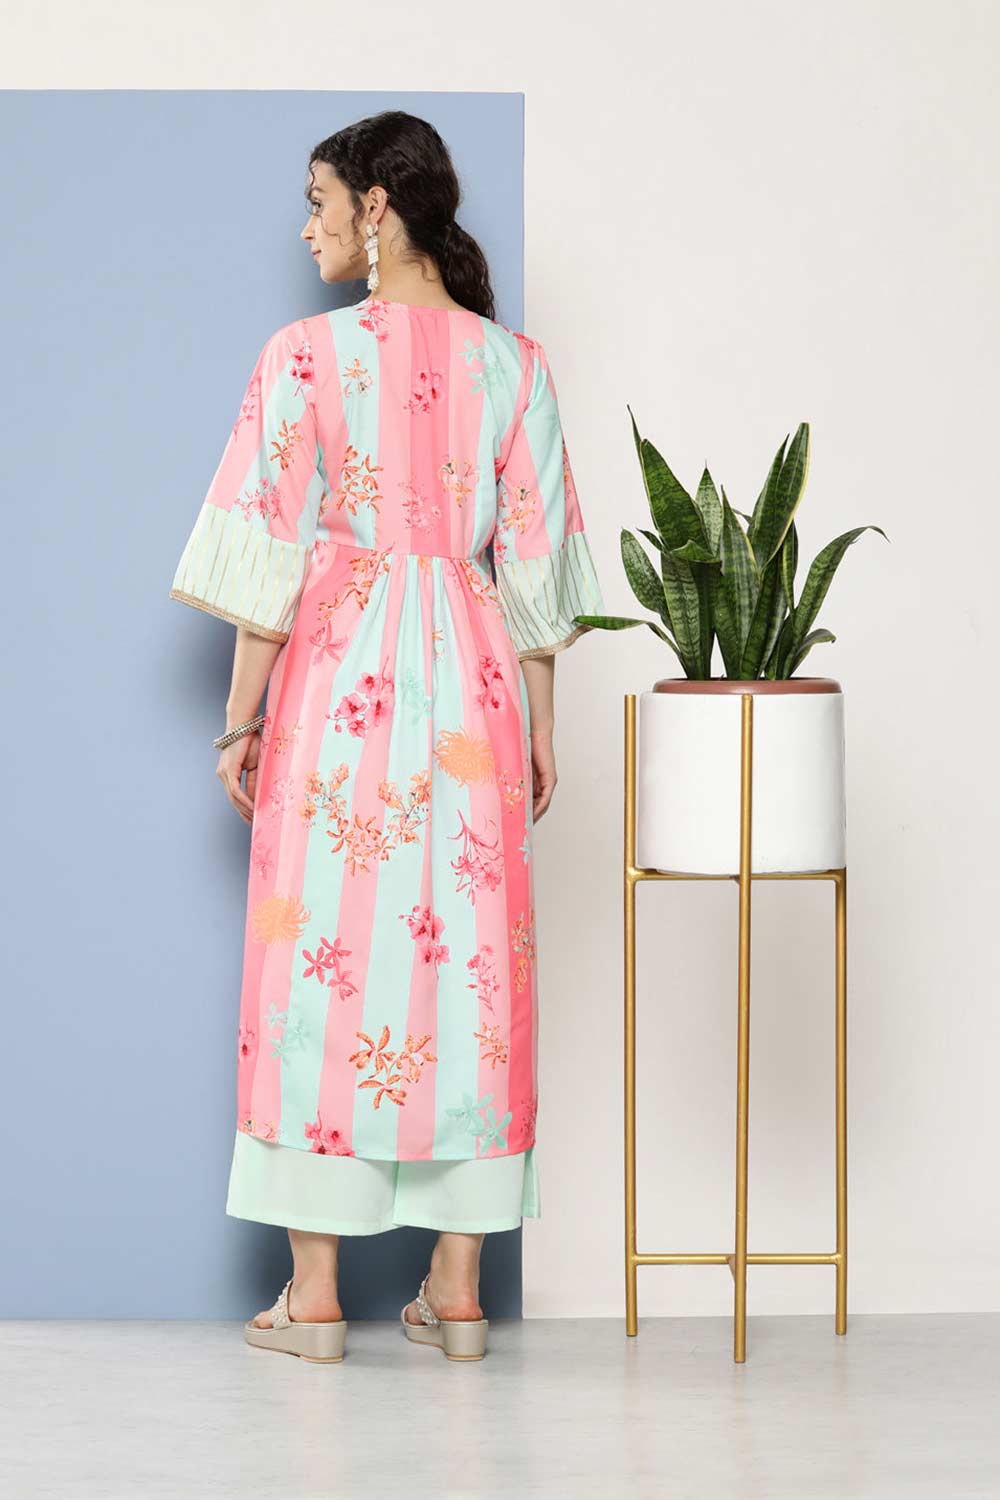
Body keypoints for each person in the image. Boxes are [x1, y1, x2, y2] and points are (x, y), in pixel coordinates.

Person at [169, 110, 603, 1362]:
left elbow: (266, 563)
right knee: (469, 965)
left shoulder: (304, 357)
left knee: (320, 964)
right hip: (472, 682)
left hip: (336, 680)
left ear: (374, 207)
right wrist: (541, 727)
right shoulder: (514, 366)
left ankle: (313, 1299)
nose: (303, 229)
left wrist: (239, 724)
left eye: (317, 201)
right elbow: (534, 566)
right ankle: (457, 1292)